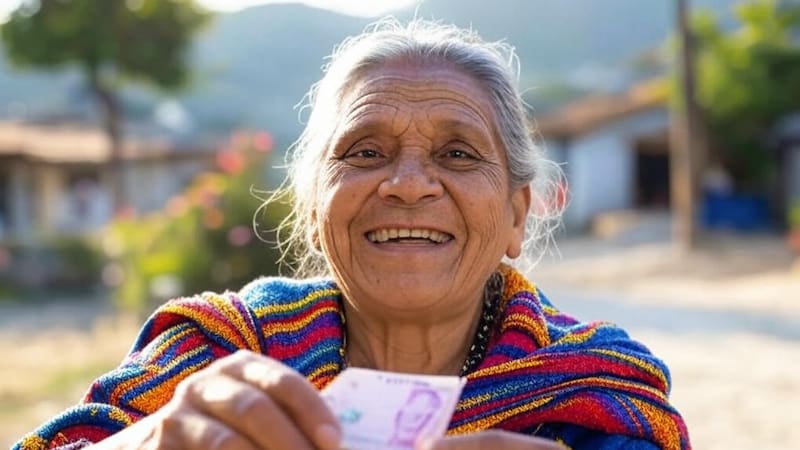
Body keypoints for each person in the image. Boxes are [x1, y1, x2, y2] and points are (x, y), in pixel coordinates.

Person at [14, 18, 690, 450]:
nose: (409, 184)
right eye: (364, 153)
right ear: (312, 209)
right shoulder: (218, 351)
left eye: (459, 155)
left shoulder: (594, 388)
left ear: (517, 215)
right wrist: (149, 443)